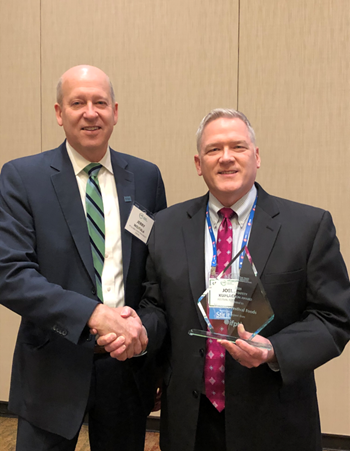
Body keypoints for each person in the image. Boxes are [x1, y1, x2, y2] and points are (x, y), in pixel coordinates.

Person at [100, 108, 350, 451]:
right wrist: (140, 331)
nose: (226, 158)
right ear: (198, 163)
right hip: (191, 420)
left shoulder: (307, 227)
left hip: (275, 420)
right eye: (213, 149)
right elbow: (157, 306)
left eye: (238, 147)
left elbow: (334, 317)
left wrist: (275, 350)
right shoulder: (166, 227)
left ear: (257, 156)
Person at [0, 65, 166, 451]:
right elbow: (10, 274)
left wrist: (149, 347)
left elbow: (158, 277)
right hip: (52, 366)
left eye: (100, 103)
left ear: (115, 112)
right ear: (59, 113)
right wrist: (92, 314)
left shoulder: (145, 177)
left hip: (126, 369)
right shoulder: (23, 177)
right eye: (78, 103)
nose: (90, 112)